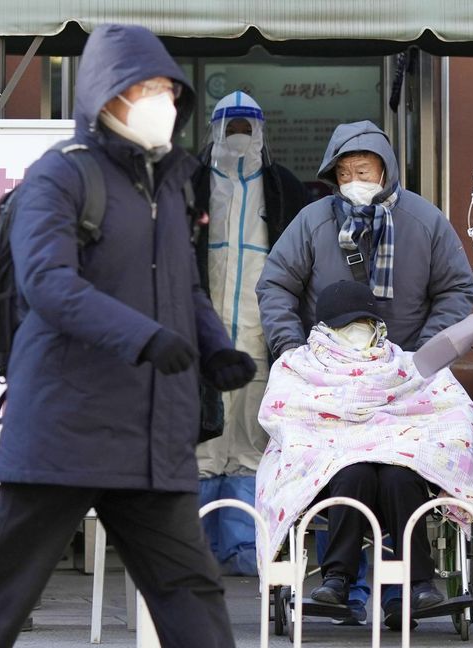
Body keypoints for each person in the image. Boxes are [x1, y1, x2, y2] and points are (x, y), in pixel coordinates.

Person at [0, 24, 256, 648]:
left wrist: (216, 347)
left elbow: (189, 287)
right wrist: (145, 338)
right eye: (143, 87)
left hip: (152, 437)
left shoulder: (173, 181)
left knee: (192, 594)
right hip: (65, 429)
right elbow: (49, 283)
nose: (160, 100)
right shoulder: (61, 177)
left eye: (166, 88)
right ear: (105, 94)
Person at [256, 119, 473, 624]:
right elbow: (277, 286)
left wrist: (422, 355)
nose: (356, 178)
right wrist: (293, 350)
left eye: (366, 169)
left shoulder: (424, 221)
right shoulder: (313, 222)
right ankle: (342, 586)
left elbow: (456, 290)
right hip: (329, 378)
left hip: (406, 382)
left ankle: (409, 591)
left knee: (401, 475)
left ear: (387, 170)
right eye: (346, 171)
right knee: (345, 470)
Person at [256, 280, 473, 631]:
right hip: (336, 464)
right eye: (347, 327)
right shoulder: (297, 366)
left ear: (377, 326)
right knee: (354, 473)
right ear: (325, 330)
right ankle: (338, 579)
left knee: (400, 476)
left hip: (397, 457)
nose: (357, 333)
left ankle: (420, 583)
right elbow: (285, 413)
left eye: (364, 325)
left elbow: (447, 405)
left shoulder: (404, 363)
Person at [193, 90, 308, 577]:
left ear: (260, 131)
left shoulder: (282, 186)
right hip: (204, 340)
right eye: (230, 127)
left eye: (247, 127)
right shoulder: (191, 184)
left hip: (261, 338)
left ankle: (243, 546)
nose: (239, 136)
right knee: (203, 443)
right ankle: (194, 548)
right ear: (215, 130)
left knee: (250, 442)